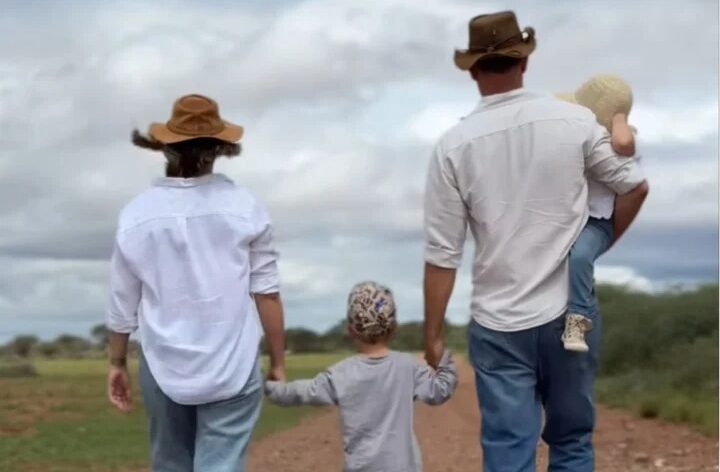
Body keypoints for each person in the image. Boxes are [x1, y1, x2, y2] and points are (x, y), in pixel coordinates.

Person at [422, 11, 648, 472]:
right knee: (571, 442)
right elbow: (634, 185)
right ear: (523, 61)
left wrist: (432, 334)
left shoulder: (452, 145)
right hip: (571, 315)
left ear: (472, 70)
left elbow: (443, 254)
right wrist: (595, 246)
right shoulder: (575, 121)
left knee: (508, 449)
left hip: (499, 321)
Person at [105, 94, 286, 471]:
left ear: (165, 146)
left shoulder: (136, 214)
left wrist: (117, 362)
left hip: (163, 366)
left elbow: (122, 304)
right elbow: (266, 292)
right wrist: (278, 362)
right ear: (220, 148)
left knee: (170, 463)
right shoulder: (246, 207)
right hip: (233, 366)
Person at [266, 281, 458, 472]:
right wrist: (442, 356)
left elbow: (300, 392)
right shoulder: (408, 367)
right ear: (395, 329)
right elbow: (440, 389)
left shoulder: (340, 373)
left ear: (350, 331)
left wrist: (273, 387)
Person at [558, 75, 639, 352]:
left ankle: (578, 318)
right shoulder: (573, 140)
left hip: (596, 222)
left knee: (580, 257)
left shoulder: (613, 143)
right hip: (570, 218)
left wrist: (617, 116)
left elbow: (625, 142)